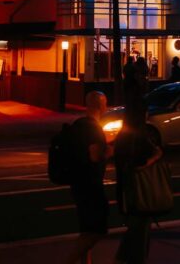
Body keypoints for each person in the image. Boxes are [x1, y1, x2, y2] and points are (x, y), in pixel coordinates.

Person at [66, 91, 113, 264]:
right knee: (98, 230)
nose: (106, 107)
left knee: (86, 229)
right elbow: (94, 156)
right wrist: (108, 152)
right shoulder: (94, 128)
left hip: (77, 183)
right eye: (105, 103)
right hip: (91, 185)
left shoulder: (78, 124)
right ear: (100, 106)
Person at [113, 107, 163, 264]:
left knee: (134, 227)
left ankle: (122, 258)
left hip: (127, 188)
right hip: (140, 189)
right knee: (140, 229)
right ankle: (134, 259)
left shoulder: (123, 135)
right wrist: (156, 156)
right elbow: (140, 163)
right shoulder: (139, 137)